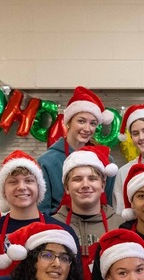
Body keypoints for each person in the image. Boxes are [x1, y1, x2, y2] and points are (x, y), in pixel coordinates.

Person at [51, 144, 119, 280]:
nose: (85, 185)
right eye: (77, 179)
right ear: (67, 187)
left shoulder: (120, 224)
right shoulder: (53, 226)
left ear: (102, 185)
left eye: (93, 178)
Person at [0, 150, 74, 276]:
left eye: (29, 181)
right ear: (3, 190)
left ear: (39, 187)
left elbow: (74, 278)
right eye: (13, 182)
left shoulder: (62, 230)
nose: (21, 187)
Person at [37, 86, 116, 214]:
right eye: (81, 121)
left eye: (93, 123)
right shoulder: (47, 162)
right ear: (68, 122)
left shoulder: (106, 159)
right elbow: (42, 210)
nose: (87, 128)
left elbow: (109, 205)